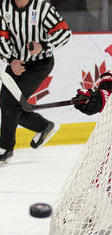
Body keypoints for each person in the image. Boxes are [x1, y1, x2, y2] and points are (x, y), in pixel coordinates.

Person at [0, 0, 71, 163]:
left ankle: (5, 148)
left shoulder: (42, 8)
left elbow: (64, 33)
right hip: (16, 63)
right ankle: (43, 126)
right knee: (6, 102)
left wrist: (44, 45)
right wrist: (11, 60)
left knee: (11, 102)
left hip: (40, 64)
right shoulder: (5, 7)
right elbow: (2, 37)